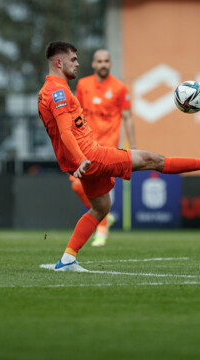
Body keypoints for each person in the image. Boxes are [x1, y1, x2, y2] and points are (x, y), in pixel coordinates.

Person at [38, 41, 200, 272]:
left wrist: (79, 159)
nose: (78, 63)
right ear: (59, 62)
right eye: (73, 59)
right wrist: (82, 158)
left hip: (84, 158)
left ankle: (68, 259)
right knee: (154, 160)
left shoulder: (48, 90)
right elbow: (65, 131)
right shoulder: (59, 92)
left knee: (101, 208)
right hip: (92, 156)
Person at [71, 49, 137, 247]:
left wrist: (133, 147)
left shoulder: (119, 88)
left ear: (110, 64)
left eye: (106, 61)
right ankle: (105, 219)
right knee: (76, 185)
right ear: (93, 64)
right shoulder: (83, 84)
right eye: (99, 61)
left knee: (105, 190)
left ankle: (101, 230)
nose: (102, 64)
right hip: (85, 146)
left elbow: (127, 118)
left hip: (108, 148)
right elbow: (76, 114)